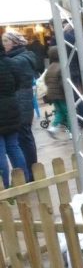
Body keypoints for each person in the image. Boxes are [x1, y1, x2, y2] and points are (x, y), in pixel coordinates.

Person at [3, 30, 39, 179]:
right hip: (22, 101)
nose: (3, 44)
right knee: (24, 138)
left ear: (14, 42)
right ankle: (32, 171)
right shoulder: (22, 57)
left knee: (23, 139)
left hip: (20, 101)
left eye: (5, 41)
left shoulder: (19, 60)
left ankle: (31, 173)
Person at [0, 49, 28, 188]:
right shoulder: (10, 63)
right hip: (11, 108)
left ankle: (3, 186)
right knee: (13, 146)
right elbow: (18, 83)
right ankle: (23, 179)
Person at [43, 46, 70, 138]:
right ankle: (72, 132)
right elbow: (63, 83)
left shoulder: (50, 67)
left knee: (59, 112)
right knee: (68, 112)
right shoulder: (61, 67)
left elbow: (46, 81)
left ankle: (53, 128)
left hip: (52, 94)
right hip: (61, 94)